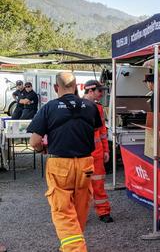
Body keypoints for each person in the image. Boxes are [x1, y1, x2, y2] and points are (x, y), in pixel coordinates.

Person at [27, 72, 102, 252]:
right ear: (77, 86)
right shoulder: (91, 107)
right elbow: (94, 131)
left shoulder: (49, 107)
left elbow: (35, 142)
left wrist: (41, 149)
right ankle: (71, 245)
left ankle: (75, 248)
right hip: (86, 164)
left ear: (55, 88)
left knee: (62, 211)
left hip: (60, 165)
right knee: (79, 209)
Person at [82, 80, 113, 223]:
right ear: (90, 91)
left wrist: (106, 150)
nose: (102, 93)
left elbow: (102, 131)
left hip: (97, 153)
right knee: (80, 185)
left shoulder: (99, 108)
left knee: (98, 184)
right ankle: (79, 213)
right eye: (99, 91)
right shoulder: (77, 106)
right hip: (82, 153)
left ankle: (103, 212)